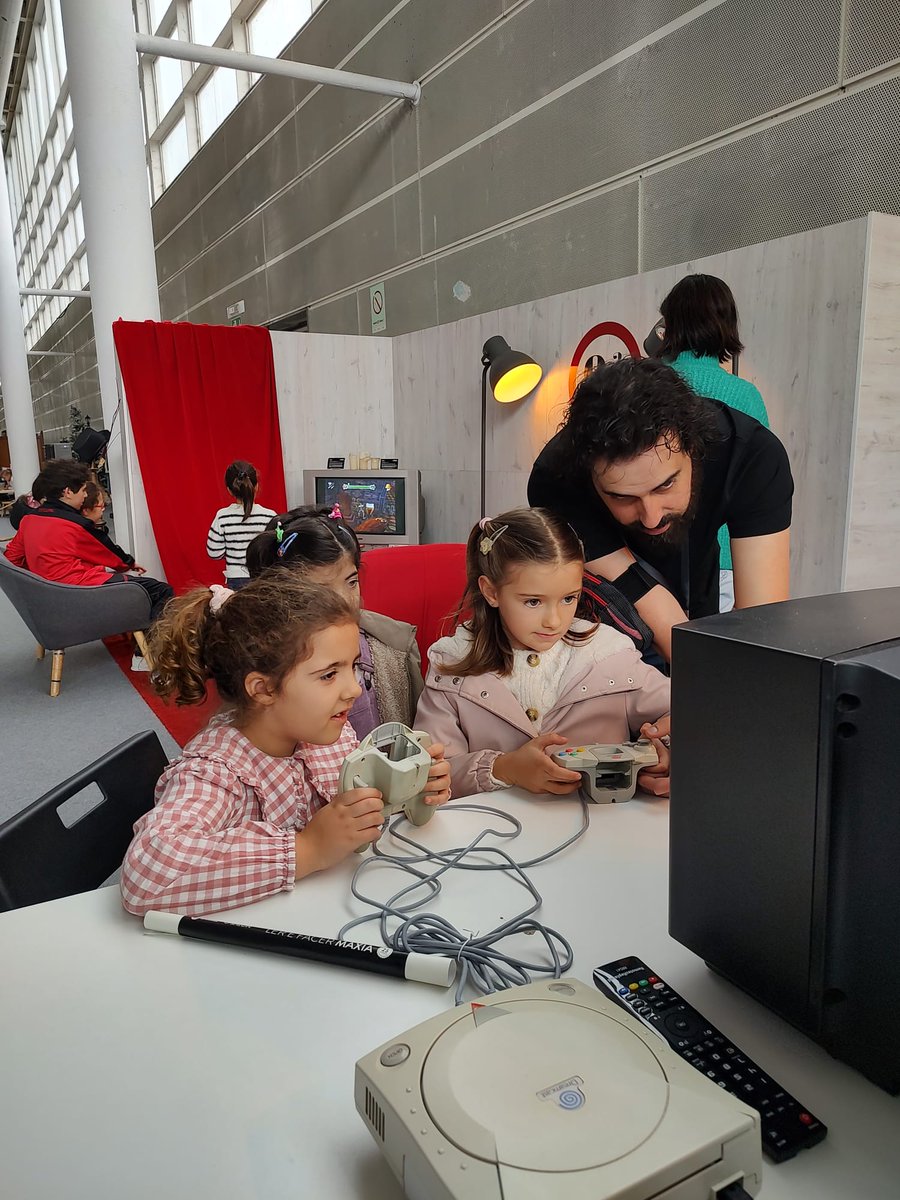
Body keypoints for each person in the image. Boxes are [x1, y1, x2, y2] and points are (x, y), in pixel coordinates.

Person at [120, 573, 451, 916]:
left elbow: (351, 812)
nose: (354, 689)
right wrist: (307, 849)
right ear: (263, 689)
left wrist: (406, 786)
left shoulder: (326, 734)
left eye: (352, 666)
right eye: (329, 674)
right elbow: (146, 875)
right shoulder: (214, 773)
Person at [527, 357, 793, 661]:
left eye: (665, 485)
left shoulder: (750, 456)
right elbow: (649, 600)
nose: (651, 517)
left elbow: (761, 627)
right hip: (608, 631)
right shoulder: (556, 479)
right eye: (623, 497)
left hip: (698, 580)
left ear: (694, 448)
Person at [413, 508, 670, 799]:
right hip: (492, 825)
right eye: (533, 602)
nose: (554, 621)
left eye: (569, 598)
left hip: (607, 823)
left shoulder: (610, 655)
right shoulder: (451, 666)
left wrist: (667, 746)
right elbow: (428, 777)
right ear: (491, 592)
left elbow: (686, 712)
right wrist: (503, 768)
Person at [246, 504, 423, 739]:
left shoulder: (394, 650)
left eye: (352, 582)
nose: (344, 602)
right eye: (322, 591)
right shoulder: (264, 668)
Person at [656, 274, 771, 612]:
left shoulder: (646, 386)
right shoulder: (746, 396)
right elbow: (759, 486)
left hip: (650, 551)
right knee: (708, 645)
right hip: (725, 555)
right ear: (726, 324)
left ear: (669, 323)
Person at [3, 461, 173, 634]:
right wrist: (129, 563)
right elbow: (109, 554)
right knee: (161, 590)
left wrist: (40, 571)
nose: (85, 496)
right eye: (83, 490)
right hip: (79, 593)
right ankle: (154, 641)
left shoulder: (29, 520)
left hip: (46, 599)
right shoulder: (75, 525)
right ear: (68, 492)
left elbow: (12, 559)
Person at [206, 460, 277, 589]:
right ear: (256, 486)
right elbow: (277, 549)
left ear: (229, 490)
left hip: (235, 579)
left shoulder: (222, 516)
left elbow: (214, 552)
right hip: (263, 577)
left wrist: (232, 552)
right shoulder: (270, 516)